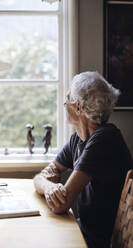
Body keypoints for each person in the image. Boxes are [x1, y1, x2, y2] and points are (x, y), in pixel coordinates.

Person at [33, 71, 132, 248]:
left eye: (68, 97)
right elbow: (41, 177)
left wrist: (51, 187)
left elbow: (60, 205)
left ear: (78, 107)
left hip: (99, 242)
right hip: (82, 230)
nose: (64, 102)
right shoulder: (77, 139)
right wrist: (49, 187)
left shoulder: (105, 139)